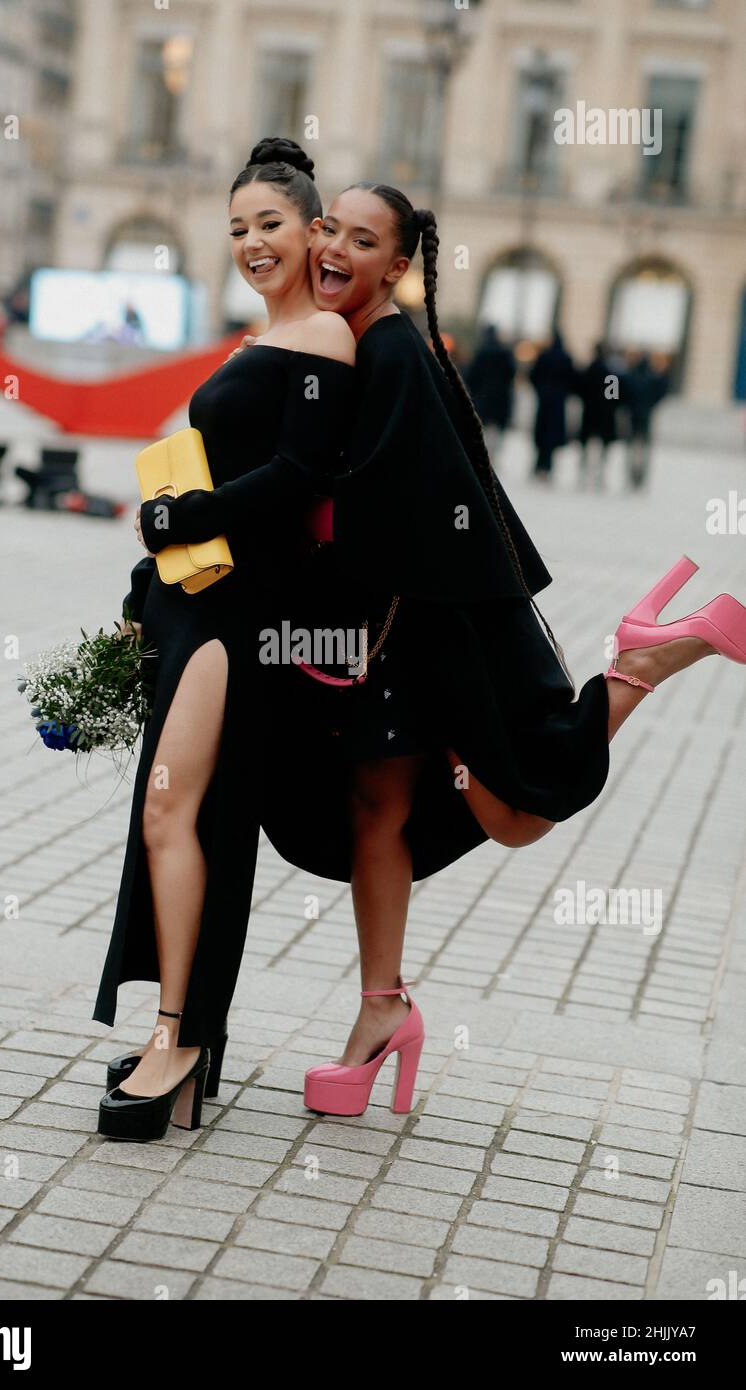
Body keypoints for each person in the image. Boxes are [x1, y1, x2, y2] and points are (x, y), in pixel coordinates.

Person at [246, 181, 746, 1120]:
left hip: (424, 633)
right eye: (329, 230)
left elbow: (392, 504)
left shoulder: (390, 348)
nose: (333, 249)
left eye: (362, 239)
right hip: (404, 628)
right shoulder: (371, 342)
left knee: (514, 812)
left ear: (396, 265)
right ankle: (380, 1012)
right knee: (379, 813)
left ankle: (637, 666)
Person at [92, 138, 355, 1142]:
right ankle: (183, 1034)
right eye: (238, 227)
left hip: (240, 618)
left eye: (270, 224)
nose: (251, 242)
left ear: (311, 230)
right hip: (186, 603)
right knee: (174, 820)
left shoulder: (324, 341)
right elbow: (201, 465)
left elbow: (299, 477)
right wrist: (138, 579)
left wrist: (183, 519)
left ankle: (182, 1039)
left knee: (180, 818)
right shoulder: (252, 344)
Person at [464, 322, 516, 463]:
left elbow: (472, 375)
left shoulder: (482, 352)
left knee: (482, 426)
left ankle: (481, 453)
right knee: (496, 427)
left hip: (483, 395)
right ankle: (492, 455)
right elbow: (511, 373)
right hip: (500, 396)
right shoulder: (505, 353)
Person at [529, 328, 576, 482]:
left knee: (542, 435)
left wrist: (541, 390)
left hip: (544, 401)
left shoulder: (544, 356)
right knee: (551, 436)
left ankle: (538, 466)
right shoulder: (566, 358)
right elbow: (572, 380)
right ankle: (547, 467)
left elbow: (533, 375)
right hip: (558, 403)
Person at [576, 341, 621, 490]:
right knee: (603, 447)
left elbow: (581, 389)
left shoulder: (590, 369)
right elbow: (614, 397)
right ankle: (599, 476)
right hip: (605, 415)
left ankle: (583, 473)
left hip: (590, 412)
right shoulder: (611, 373)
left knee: (586, 445)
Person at [622, 352, 669, 490]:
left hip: (633, 416)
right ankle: (641, 477)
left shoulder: (631, 378)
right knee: (644, 448)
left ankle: (630, 474)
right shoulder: (653, 379)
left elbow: (621, 393)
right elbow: (662, 390)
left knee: (631, 448)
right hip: (646, 416)